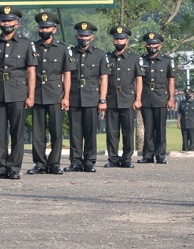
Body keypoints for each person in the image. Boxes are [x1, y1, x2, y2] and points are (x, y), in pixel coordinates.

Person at [0, 6, 37, 180]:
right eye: (3, 21)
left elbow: (31, 72)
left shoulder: (25, 44)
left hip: (18, 91)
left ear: (17, 23)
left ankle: (14, 167)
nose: (6, 24)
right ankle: (1, 167)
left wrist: (31, 95)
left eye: (9, 21)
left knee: (17, 132)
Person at [27, 13, 73, 175]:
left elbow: (67, 74)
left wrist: (66, 96)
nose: (44, 30)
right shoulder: (33, 47)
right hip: (38, 93)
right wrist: (30, 95)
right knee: (38, 132)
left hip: (55, 93)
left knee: (56, 131)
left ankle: (54, 163)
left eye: (47, 27)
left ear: (54, 29)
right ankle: (39, 163)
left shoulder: (62, 48)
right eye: (41, 27)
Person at [65, 21, 108, 173]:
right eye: (81, 36)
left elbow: (103, 79)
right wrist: (65, 97)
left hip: (92, 98)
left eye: (87, 36)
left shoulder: (100, 55)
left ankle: (89, 161)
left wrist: (102, 100)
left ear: (92, 37)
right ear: (76, 36)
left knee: (90, 132)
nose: (84, 38)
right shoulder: (70, 53)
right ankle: (75, 161)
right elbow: (67, 76)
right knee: (75, 132)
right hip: (74, 97)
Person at [103, 25, 144, 168]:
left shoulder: (134, 58)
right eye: (116, 39)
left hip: (128, 99)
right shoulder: (106, 58)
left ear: (127, 41)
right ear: (113, 40)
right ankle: (113, 158)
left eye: (122, 39)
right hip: (111, 98)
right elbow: (102, 79)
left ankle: (126, 158)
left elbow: (138, 79)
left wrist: (138, 99)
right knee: (112, 132)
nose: (119, 41)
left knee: (128, 131)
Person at [138, 32, 175, 164]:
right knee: (148, 128)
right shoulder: (142, 60)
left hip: (161, 98)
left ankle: (161, 155)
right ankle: (147, 155)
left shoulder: (167, 61)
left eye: (154, 44)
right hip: (146, 97)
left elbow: (171, 80)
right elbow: (139, 80)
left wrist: (171, 98)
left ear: (160, 45)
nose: (151, 46)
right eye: (149, 44)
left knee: (160, 128)